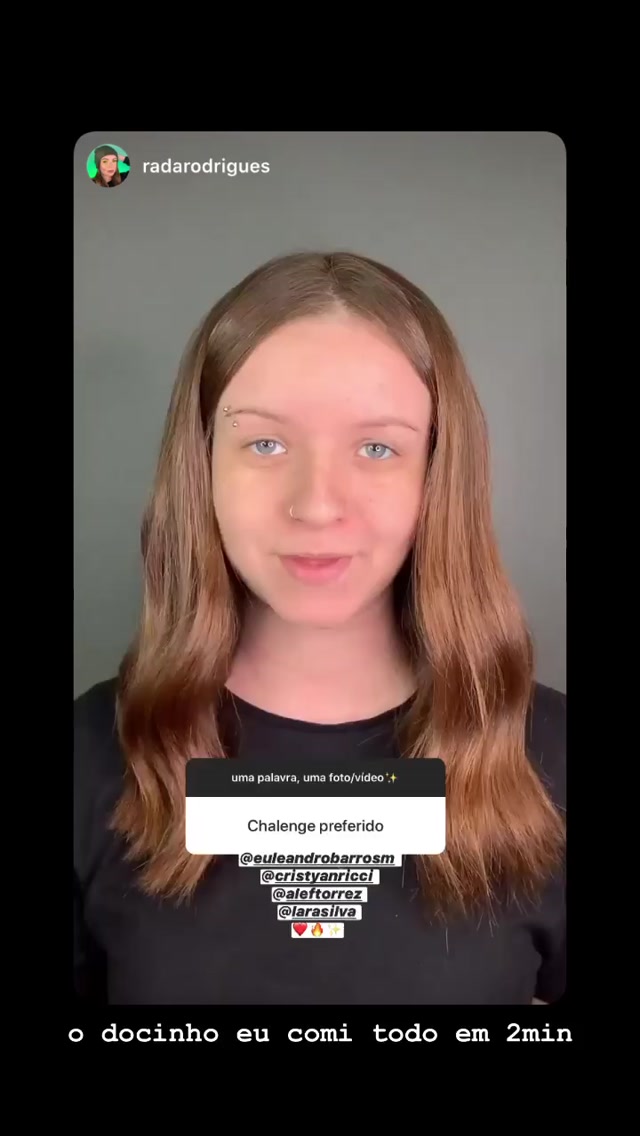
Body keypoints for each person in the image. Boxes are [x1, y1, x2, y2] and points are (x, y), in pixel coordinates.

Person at [74, 250, 566, 1005]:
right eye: (265, 444)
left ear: (438, 473)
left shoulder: (554, 760)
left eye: (377, 447)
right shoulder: (89, 755)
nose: (316, 505)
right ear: (202, 464)